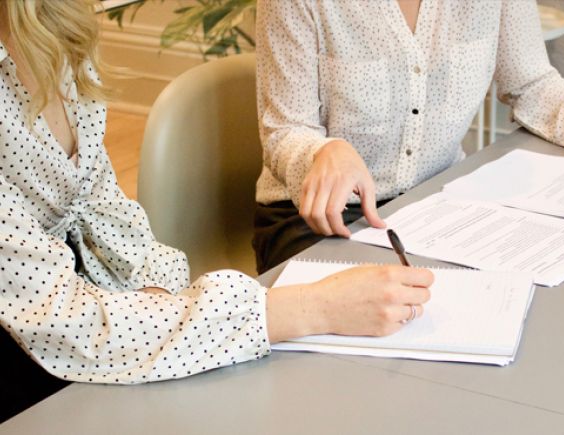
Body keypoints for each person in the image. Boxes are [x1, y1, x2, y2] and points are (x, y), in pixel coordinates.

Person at [0, 0, 433, 421]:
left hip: (89, 315)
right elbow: (63, 320)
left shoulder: (54, 28)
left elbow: (103, 209)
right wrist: (312, 308)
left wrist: (159, 298)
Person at [253, 0, 564, 274]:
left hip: (435, 207)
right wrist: (324, 152)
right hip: (317, 220)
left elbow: (530, 83)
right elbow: (285, 130)